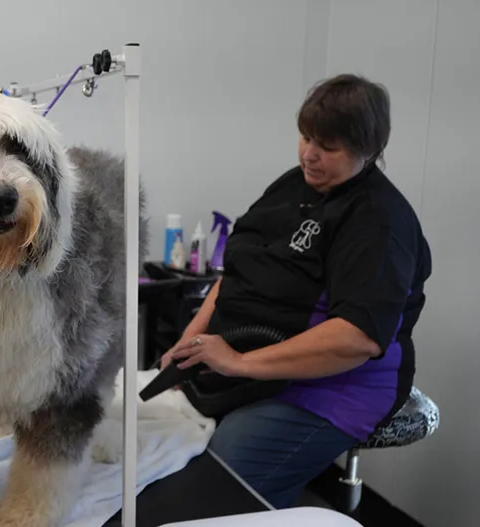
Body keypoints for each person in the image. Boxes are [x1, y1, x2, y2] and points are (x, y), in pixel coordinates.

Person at [160, 73, 432, 509]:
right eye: (305, 137)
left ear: (369, 150)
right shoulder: (294, 185)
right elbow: (238, 270)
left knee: (213, 484)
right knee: (164, 454)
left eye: (328, 147)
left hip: (338, 386)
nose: (309, 154)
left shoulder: (380, 222)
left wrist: (240, 362)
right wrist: (189, 344)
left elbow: (356, 338)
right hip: (260, 368)